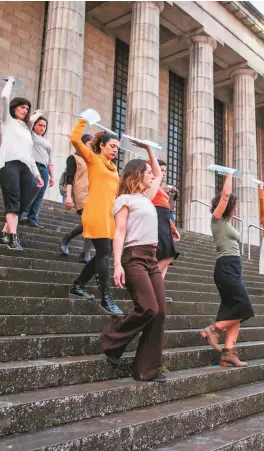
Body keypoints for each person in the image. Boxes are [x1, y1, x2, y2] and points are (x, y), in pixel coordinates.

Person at [100, 150, 168, 383]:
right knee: (148, 307)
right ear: (137, 175)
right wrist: (117, 263)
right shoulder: (124, 200)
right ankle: (111, 341)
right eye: (147, 171)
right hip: (133, 256)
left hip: (151, 257)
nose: (152, 174)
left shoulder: (146, 197)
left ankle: (146, 370)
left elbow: (158, 174)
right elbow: (119, 232)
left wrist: (149, 150)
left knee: (160, 313)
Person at [67, 118, 122, 314]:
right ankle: (106, 297)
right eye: (112, 146)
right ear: (101, 145)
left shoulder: (114, 168)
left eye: (118, 147)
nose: (115, 150)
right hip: (95, 213)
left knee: (102, 253)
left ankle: (78, 285)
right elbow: (74, 139)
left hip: (109, 215)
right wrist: (83, 120)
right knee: (105, 252)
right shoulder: (93, 159)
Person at [200, 173, 254, 368]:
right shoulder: (217, 220)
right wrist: (229, 174)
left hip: (233, 267)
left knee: (235, 311)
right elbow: (225, 195)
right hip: (225, 267)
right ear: (228, 205)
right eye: (235, 204)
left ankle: (228, 353)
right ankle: (214, 329)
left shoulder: (227, 224)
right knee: (245, 307)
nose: (236, 208)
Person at [0, 77, 43, 251]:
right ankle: (13, 238)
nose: (25, 110)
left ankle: (3, 233)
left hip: (25, 167)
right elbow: (4, 98)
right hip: (9, 164)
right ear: (14, 108)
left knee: (23, 202)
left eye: (27, 108)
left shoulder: (26, 130)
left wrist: (36, 174)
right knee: (13, 200)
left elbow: (29, 155)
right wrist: (10, 82)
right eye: (22, 107)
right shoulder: (7, 121)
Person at [59, 133, 95, 264]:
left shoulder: (92, 160)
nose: (93, 147)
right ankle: (67, 240)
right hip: (80, 193)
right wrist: (68, 197)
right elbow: (69, 178)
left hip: (93, 194)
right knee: (90, 222)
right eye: (91, 144)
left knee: (92, 223)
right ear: (83, 143)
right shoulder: (73, 158)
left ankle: (84, 253)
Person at [151, 160, 180, 302]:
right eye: (160, 170)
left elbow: (168, 210)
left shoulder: (160, 188)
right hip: (154, 221)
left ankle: (158, 289)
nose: (163, 173)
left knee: (167, 258)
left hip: (164, 221)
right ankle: (151, 284)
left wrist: (173, 228)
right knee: (165, 256)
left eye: (164, 171)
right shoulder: (150, 185)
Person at [20, 112, 54, 229]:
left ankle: (33, 219)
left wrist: (52, 176)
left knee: (40, 195)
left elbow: (50, 161)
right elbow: (28, 122)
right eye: (40, 125)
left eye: (44, 126)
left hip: (44, 169)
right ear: (35, 126)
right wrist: (38, 113)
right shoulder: (30, 135)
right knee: (31, 191)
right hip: (32, 166)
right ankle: (23, 215)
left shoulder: (47, 142)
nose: (42, 128)